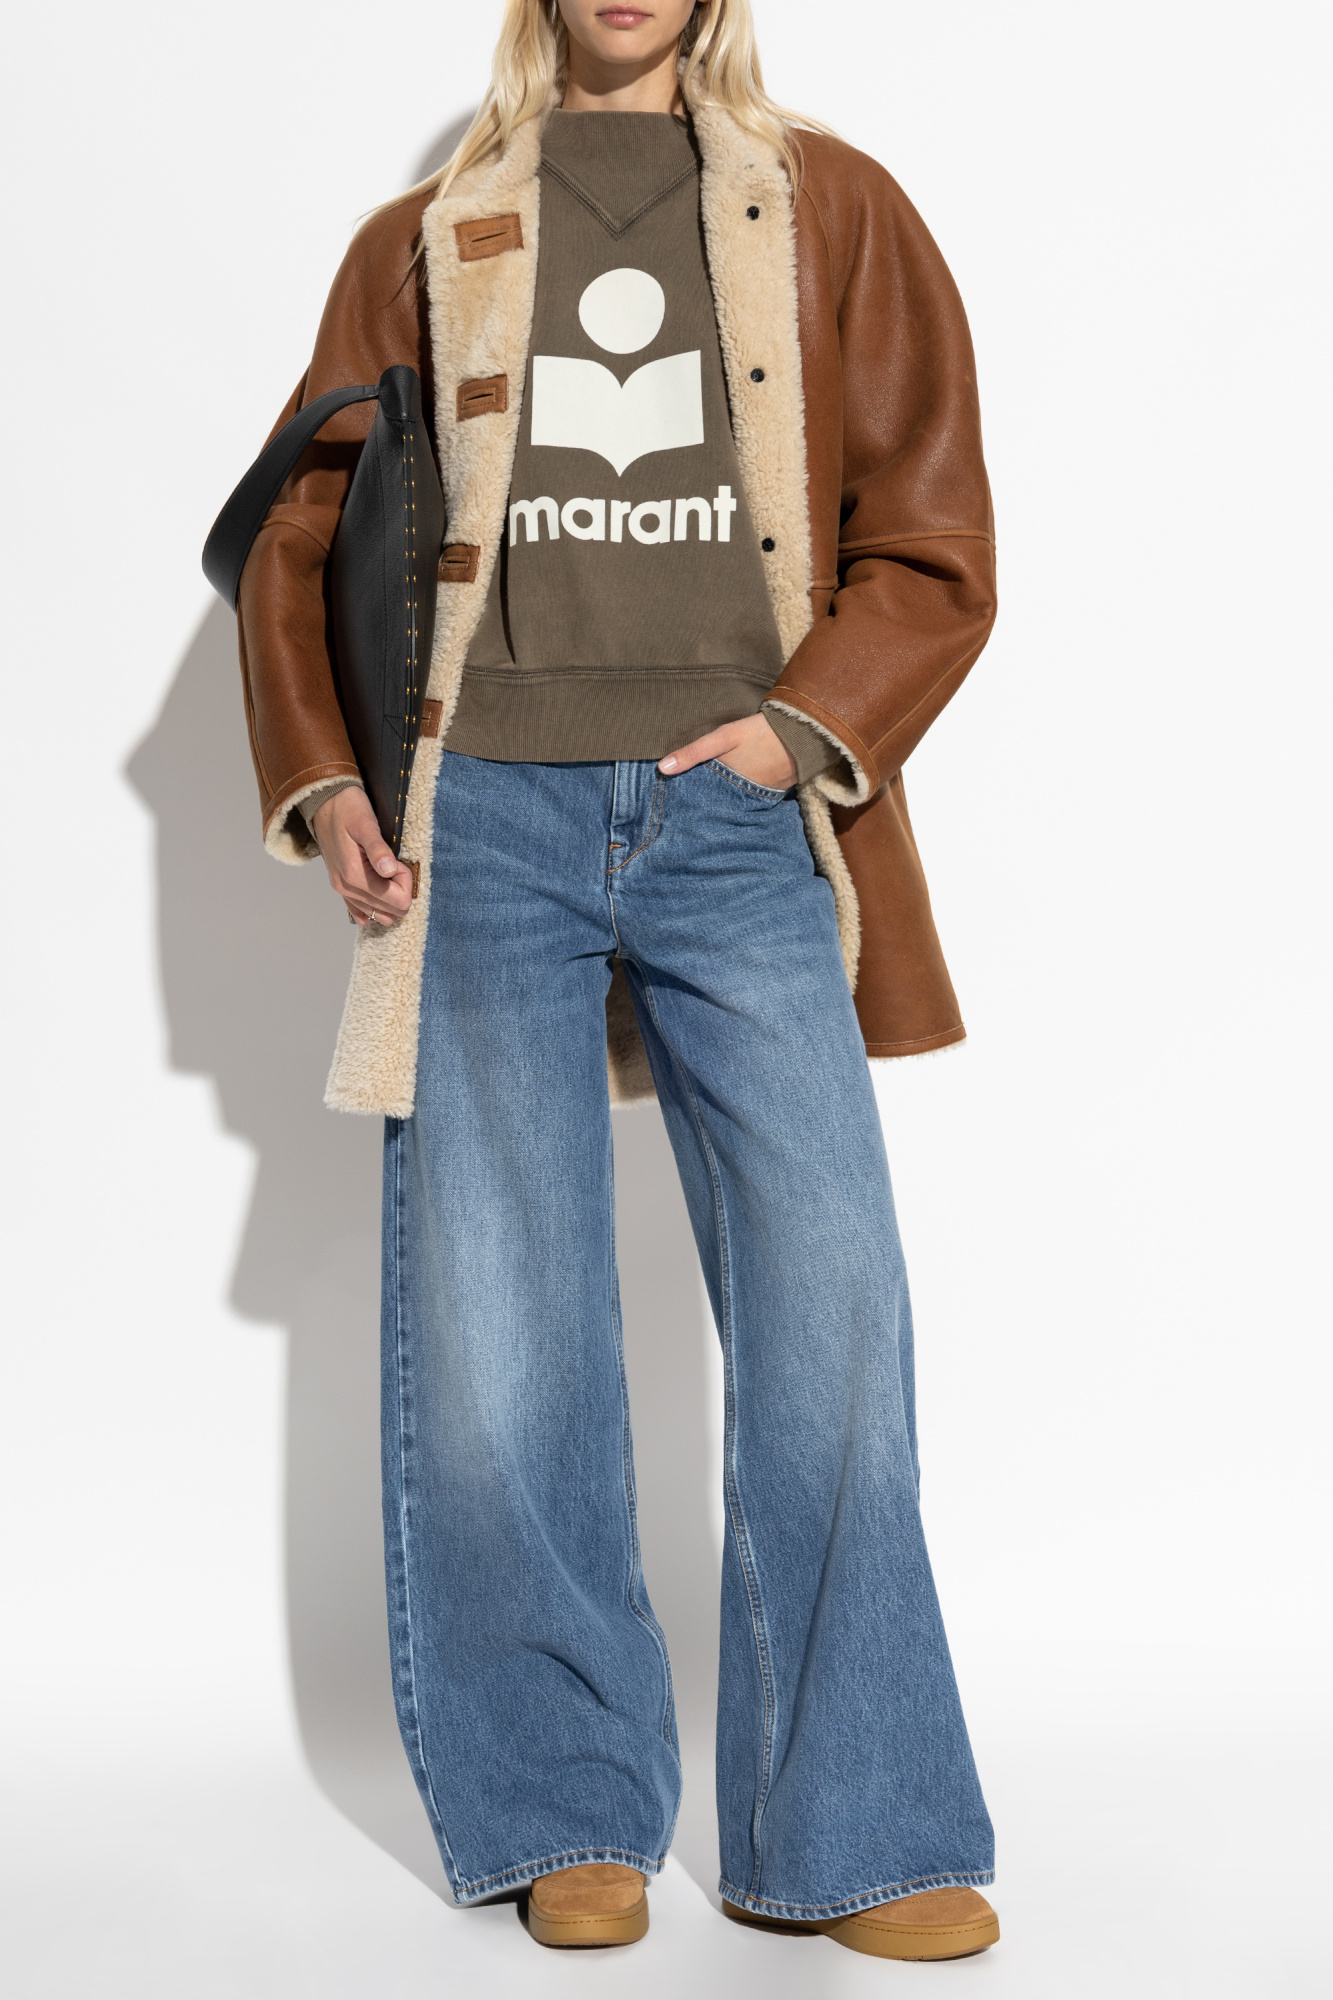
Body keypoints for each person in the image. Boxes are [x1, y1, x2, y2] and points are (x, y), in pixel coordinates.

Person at [234, 0, 999, 1962]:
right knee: (508, 1329)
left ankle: (856, 1821)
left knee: (832, 1304)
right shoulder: (426, 232)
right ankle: (562, 1800)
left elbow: (928, 540)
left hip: (738, 819)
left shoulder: (830, 210)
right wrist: (325, 775)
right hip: (479, 820)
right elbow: (301, 532)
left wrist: (793, 733)